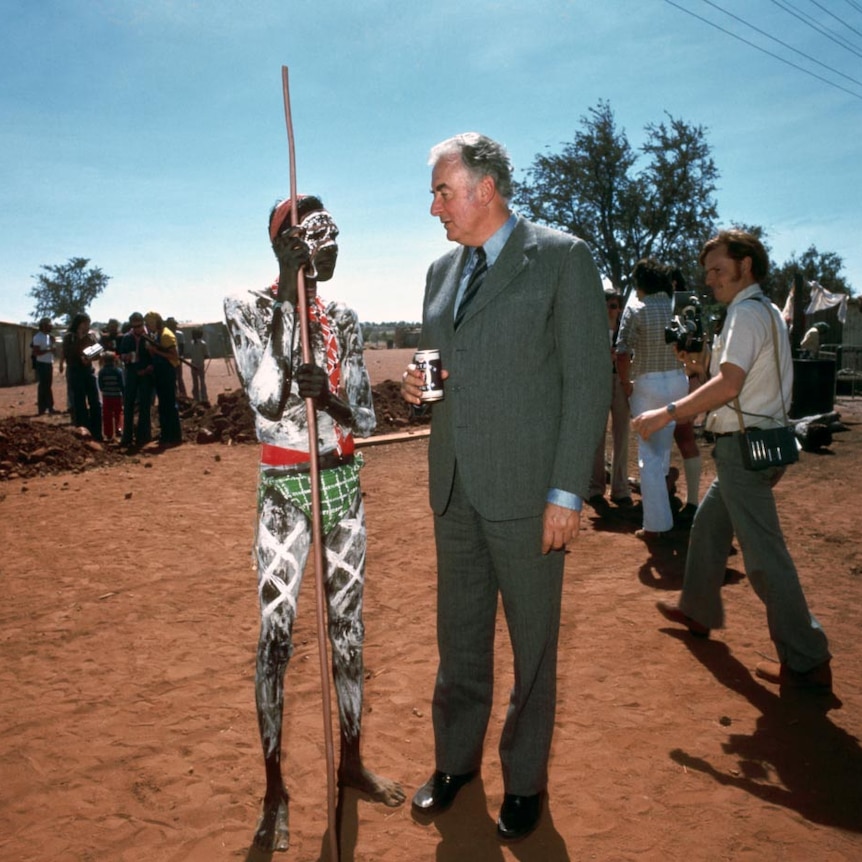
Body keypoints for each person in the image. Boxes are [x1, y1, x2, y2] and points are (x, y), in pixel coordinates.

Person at [400, 133, 610, 841]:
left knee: (533, 650)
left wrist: (566, 492)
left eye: (441, 191)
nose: (434, 207)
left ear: (484, 188)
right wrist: (423, 386)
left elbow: (587, 381)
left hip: (529, 494)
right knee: (459, 642)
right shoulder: (438, 271)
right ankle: (455, 764)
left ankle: (525, 783)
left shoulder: (561, 258)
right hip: (454, 487)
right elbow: (442, 362)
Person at [224, 194, 405, 851]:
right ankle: (274, 787)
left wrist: (325, 390)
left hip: (343, 487)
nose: (323, 242)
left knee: (348, 630)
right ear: (280, 243)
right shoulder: (245, 309)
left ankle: (350, 760)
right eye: (304, 233)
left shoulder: (346, 320)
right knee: (276, 636)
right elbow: (267, 398)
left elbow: (365, 415)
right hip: (284, 493)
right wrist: (285, 320)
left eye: (328, 232)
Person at [632, 229, 832, 693]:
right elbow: (730, 378)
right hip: (759, 444)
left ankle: (807, 658)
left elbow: (729, 386)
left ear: (747, 266)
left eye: (720, 270)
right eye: (707, 272)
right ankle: (698, 609)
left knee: (765, 559)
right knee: (707, 527)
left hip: (745, 449)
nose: (711, 280)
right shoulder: (764, 311)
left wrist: (667, 414)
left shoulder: (744, 313)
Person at [616, 258, 689, 540]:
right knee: (662, 449)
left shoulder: (636, 307)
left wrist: (625, 383)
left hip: (646, 383)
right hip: (676, 381)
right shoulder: (676, 308)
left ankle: (657, 524)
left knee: (647, 454)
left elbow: (622, 352)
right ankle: (663, 516)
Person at [588, 285, 631, 509]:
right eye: (608, 305)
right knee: (597, 437)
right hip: (599, 382)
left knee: (622, 435)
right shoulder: (591, 329)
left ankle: (620, 489)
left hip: (620, 382)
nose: (612, 310)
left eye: (615, 305)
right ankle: (595, 488)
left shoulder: (626, 328)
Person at [143, 311, 183, 446]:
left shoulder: (166, 335)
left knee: (169, 404)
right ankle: (166, 434)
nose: (147, 326)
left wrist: (156, 351)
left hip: (167, 372)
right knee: (164, 405)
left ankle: (174, 436)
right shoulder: (157, 335)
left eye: (148, 323)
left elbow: (173, 355)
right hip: (160, 373)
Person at [63, 312, 103, 440]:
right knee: (79, 403)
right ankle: (83, 431)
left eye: (88, 323)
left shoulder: (91, 336)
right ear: (78, 324)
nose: (87, 326)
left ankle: (97, 433)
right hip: (75, 372)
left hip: (88, 371)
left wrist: (89, 358)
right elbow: (67, 353)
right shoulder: (70, 337)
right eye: (85, 323)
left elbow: (98, 352)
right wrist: (79, 339)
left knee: (95, 402)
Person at [118, 312, 154, 449]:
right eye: (135, 326)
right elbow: (121, 354)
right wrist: (126, 357)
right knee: (128, 405)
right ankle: (127, 436)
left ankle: (144, 436)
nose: (138, 329)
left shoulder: (149, 337)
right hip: (131, 373)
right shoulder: (127, 338)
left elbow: (153, 357)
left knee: (145, 405)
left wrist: (148, 368)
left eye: (139, 325)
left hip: (145, 375)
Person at [31, 317, 56, 415]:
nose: (51, 327)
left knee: (47, 386)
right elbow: (36, 352)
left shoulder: (48, 336)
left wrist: (52, 345)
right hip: (42, 364)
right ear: (43, 326)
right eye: (49, 325)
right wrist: (49, 350)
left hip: (48, 363)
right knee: (43, 386)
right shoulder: (38, 337)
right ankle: (44, 408)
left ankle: (48, 407)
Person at [97, 352, 125, 442]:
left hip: (106, 396)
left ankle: (108, 434)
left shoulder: (101, 372)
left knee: (107, 415)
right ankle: (119, 429)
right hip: (117, 395)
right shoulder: (118, 371)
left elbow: (101, 386)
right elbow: (121, 385)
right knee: (118, 413)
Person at [166, 316, 188, 397]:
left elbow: (181, 347)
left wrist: (179, 356)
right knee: (171, 378)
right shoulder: (165, 335)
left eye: (174, 325)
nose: (173, 326)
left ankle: (183, 395)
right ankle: (174, 395)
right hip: (168, 359)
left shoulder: (179, 334)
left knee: (179, 378)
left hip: (177, 359)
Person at [188, 326, 210, 404]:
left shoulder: (194, 343)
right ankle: (201, 397)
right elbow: (206, 355)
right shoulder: (201, 343)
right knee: (200, 381)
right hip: (197, 364)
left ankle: (199, 397)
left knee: (197, 382)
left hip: (196, 364)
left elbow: (205, 355)